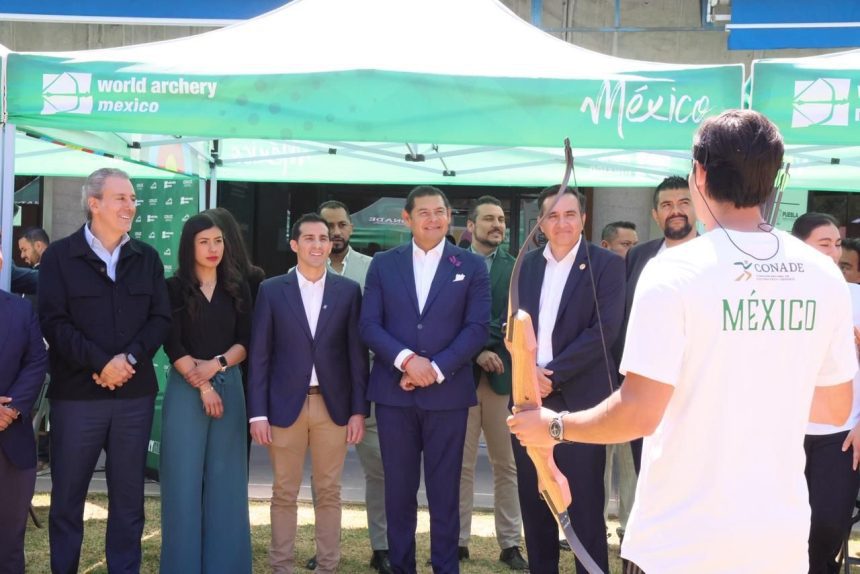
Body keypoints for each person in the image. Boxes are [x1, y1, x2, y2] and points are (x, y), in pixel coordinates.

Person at [508, 109, 858, 574]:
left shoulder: (674, 271)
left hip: (681, 539)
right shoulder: (822, 274)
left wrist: (554, 427)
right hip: (777, 536)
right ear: (773, 177)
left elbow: (638, 412)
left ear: (700, 174)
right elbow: (835, 407)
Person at [38, 167, 171, 574]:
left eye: (132, 198)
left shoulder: (147, 257)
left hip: (133, 397)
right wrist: (100, 363)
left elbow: (160, 319)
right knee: (67, 499)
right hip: (76, 398)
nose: (131, 205)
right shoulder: (59, 256)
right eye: (121, 198)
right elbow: (53, 322)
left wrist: (127, 361)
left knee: (129, 501)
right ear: (94, 203)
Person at [359, 185, 490, 574]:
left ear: (450, 217)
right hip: (394, 396)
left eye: (440, 212)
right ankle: (402, 566)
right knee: (398, 491)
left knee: (445, 492)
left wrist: (432, 369)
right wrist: (406, 362)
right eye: (424, 212)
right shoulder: (384, 264)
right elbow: (369, 325)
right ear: (407, 219)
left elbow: (477, 329)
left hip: (448, 395)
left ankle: (445, 567)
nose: (433, 219)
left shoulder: (471, 266)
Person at [510, 185, 625, 574]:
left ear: (584, 219)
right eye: (553, 216)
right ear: (541, 223)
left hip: (580, 403)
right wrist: (529, 373)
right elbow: (510, 325)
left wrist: (553, 374)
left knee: (583, 505)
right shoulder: (525, 265)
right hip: (529, 399)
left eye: (570, 214)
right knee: (536, 501)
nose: (562, 223)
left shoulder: (606, 265)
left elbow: (604, 331)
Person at [248, 213, 369, 574]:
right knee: (284, 491)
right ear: (294, 245)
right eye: (310, 238)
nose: (318, 245)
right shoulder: (271, 290)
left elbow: (356, 356)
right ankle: (280, 566)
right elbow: (260, 355)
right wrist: (258, 413)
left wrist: (358, 410)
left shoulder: (348, 291)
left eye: (324, 238)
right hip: (284, 407)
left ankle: (328, 566)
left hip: (333, 408)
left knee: (330, 491)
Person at [159, 213, 252, 574]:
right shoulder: (172, 288)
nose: (213, 249)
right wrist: (203, 384)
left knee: (227, 482)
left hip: (229, 386)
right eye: (204, 242)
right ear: (189, 246)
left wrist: (217, 365)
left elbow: (245, 341)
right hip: (186, 388)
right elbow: (172, 343)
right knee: (182, 483)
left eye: (218, 241)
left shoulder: (237, 286)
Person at [310, 200, 390, 574]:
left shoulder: (373, 269)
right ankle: (325, 549)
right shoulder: (302, 270)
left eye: (342, 225)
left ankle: (382, 547)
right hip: (321, 392)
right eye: (329, 226)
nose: (336, 232)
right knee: (325, 478)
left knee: (380, 470)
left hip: (369, 387)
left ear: (351, 229)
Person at [458, 196, 527, 570]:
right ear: (471, 226)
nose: (497, 224)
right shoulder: (451, 264)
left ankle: (510, 543)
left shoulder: (517, 267)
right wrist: (476, 352)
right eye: (488, 219)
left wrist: (487, 347)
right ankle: (457, 541)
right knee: (460, 465)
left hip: (502, 378)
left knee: (507, 465)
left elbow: (516, 320)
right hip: (460, 378)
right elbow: (447, 320)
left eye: (501, 219)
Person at [792, 212, 860, 574]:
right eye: (824, 244)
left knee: (828, 524)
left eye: (837, 244)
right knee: (783, 526)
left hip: (842, 433)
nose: (834, 252)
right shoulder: (776, 296)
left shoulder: (856, 297)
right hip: (784, 430)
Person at [0, 248, 49, 573]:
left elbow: (36, 362)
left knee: (9, 544)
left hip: (12, 444)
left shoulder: (20, 310)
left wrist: (13, 407)